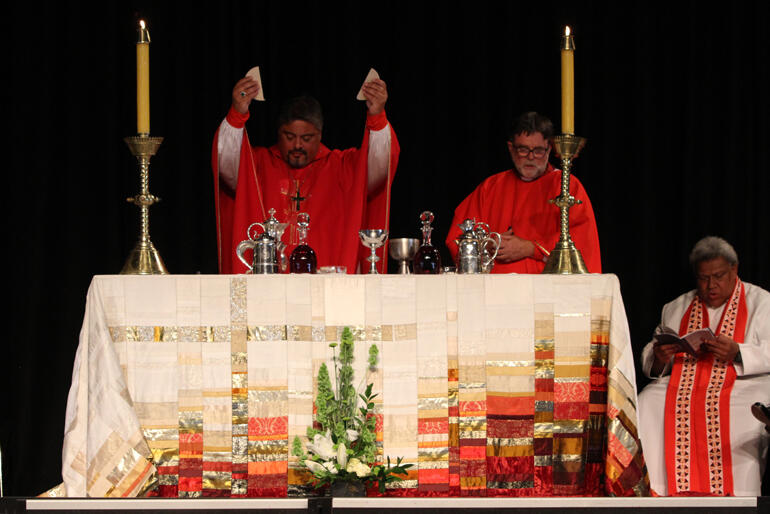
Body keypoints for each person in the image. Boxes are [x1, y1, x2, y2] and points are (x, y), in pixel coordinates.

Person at [212, 75, 399, 274]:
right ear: (278, 133)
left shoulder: (343, 168)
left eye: (307, 138)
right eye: (289, 137)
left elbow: (380, 165)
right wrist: (237, 115)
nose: (298, 145)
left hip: (328, 288)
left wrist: (377, 115)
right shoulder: (257, 165)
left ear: (320, 134)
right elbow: (227, 166)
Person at [637, 237, 770, 496]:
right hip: (685, 381)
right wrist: (660, 356)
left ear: (734, 269)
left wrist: (739, 352)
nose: (711, 286)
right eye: (703, 278)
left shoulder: (762, 302)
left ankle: (741, 495)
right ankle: (659, 492)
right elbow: (651, 355)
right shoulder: (676, 307)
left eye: (718, 276)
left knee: (745, 412)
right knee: (646, 401)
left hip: (741, 384)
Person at [445, 112, 601, 273]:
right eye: (523, 150)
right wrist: (485, 245)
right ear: (511, 148)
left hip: (548, 289)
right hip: (494, 290)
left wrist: (529, 248)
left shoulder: (566, 186)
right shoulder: (490, 187)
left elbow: (583, 241)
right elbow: (457, 238)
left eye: (539, 150)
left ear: (549, 150)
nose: (531, 157)